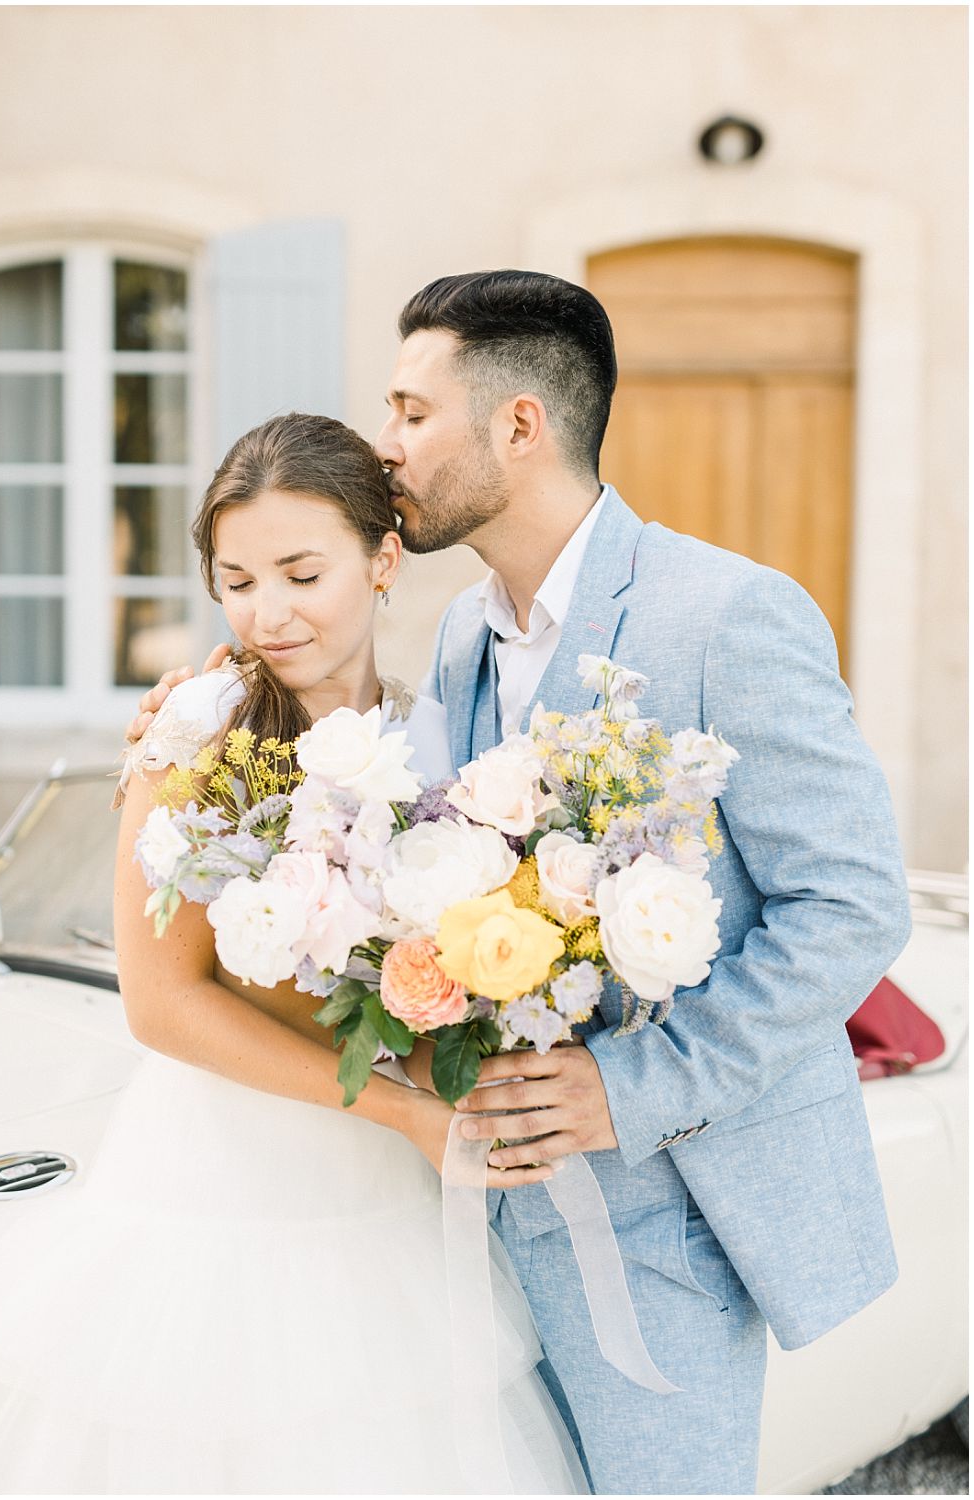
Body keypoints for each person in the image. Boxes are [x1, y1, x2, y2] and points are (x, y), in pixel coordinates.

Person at [129, 269, 912, 1496]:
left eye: (408, 411)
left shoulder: (724, 615)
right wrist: (210, 719)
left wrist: (627, 1086)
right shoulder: (456, 639)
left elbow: (854, 904)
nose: (383, 448)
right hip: (470, 1221)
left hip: (671, 1214)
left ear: (516, 426)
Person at [0, 412, 589, 1497]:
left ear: (383, 559)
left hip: (387, 1201)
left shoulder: (441, 738)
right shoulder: (194, 733)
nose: (270, 612)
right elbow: (160, 1004)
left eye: (303, 572)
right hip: (223, 1189)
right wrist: (405, 1109)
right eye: (238, 579)